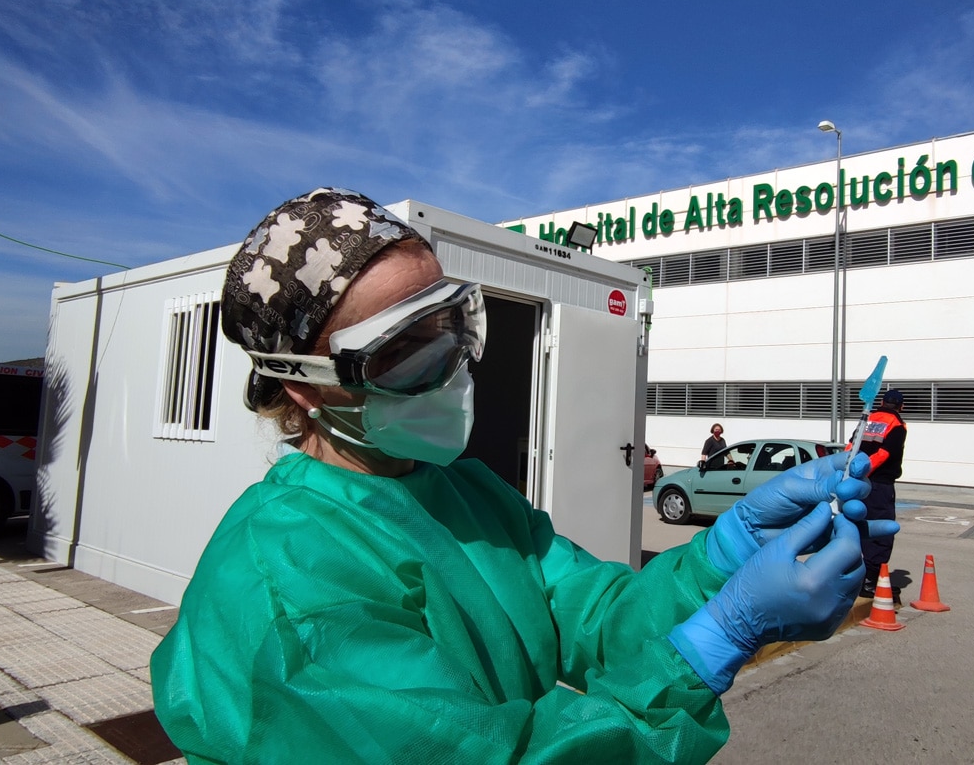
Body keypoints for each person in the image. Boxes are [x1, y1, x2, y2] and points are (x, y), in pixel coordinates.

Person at [149, 188, 898, 764]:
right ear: (305, 385)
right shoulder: (287, 586)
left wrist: (722, 555)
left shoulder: (467, 495)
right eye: (401, 351)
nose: (448, 365)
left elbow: (598, 617)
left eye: (449, 324)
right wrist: (718, 640)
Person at [854, 388, 908, 599]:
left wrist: (852, 471)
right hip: (879, 484)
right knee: (881, 530)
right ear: (901, 406)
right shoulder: (897, 425)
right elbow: (885, 454)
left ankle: (861, 576)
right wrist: (868, 469)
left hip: (858, 482)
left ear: (883, 402)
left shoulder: (868, 418)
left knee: (859, 527)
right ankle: (870, 581)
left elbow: (852, 445)